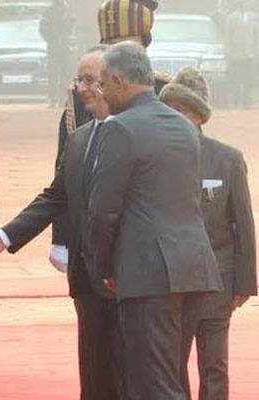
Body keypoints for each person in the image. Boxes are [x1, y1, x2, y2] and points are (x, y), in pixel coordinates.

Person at [0, 46, 122, 400]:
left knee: (133, 375)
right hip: (88, 276)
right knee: (94, 374)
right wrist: (6, 236)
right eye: (79, 79)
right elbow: (57, 195)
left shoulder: (145, 135)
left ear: (114, 83)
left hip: (133, 278)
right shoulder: (79, 139)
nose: (80, 88)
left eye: (89, 80)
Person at [90, 42, 222, 399]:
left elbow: (103, 210)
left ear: (119, 81)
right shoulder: (185, 127)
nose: (100, 91)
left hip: (148, 274)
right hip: (194, 268)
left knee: (153, 386)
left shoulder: (120, 128)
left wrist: (103, 268)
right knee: (170, 377)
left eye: (102, 83)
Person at [160, 66, 258, 400]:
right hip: (170, 283)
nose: (174, 115)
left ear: (200, 116)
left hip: (217, 282)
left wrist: (244, 284)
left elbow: (243, 226)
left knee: (215, 366)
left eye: (182, 110)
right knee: (172, 366)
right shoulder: (153, 159)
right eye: (168, 108)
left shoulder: (227, 159)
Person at [51, 0, 167, 274]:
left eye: (128, 45)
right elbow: (65, 174)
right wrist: (62, 237)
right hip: (92, 233)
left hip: (150, 235)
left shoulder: (165, 91)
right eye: (113, 45)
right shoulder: (81, 95)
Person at [224, 0, 259, 109]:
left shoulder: (254, 17)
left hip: (250, 54)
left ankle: (246, 103)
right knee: (236, 80)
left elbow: (255, 35)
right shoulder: (231, 18)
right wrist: (228, 52)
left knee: (248, 79)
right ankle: (236, 102)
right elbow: (227, 36)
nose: (244, 5)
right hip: (236, 54)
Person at [40, 0, 75, 107]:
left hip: (64, 46)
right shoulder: (48, 12)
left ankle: (63, 98)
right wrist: (51, 39)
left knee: (65, 73)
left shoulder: (68, 11)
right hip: (53, 46)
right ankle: (53, 98)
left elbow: (71, 26)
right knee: (53, 73)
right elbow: (43, 28)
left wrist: (65, 36)